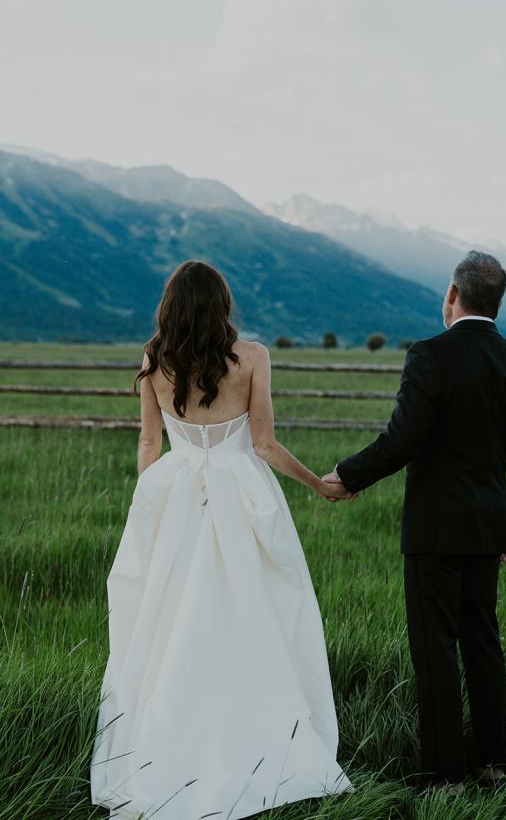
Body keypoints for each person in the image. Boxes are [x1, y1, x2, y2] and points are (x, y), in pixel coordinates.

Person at [90, 260, 351, 820]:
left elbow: (149, 441)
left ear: (170, 307)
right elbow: (264, 445)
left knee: (167, 617)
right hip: (243, 499)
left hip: (176, 493)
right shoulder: (252, 358)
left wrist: (150, 503)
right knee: (259, 611)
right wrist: (319, 486)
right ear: (222, 304)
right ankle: (261, 738)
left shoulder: (154, 359)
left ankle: (168, 741)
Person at [323, 250, 506, 795]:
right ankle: (493, 763)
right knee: (482, 642)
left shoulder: (430, 355)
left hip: (435, 530)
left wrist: (348, 476)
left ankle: (444, 777)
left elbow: (403, 441)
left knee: (435, 648)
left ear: (452, 295)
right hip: (489, 527)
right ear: (495, 302)